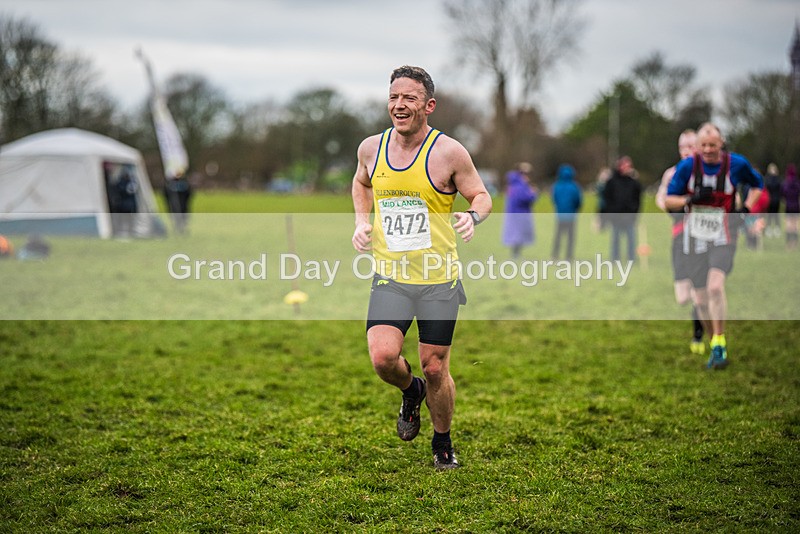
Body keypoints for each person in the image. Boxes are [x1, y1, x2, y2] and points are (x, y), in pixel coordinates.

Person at [351, 66, 492, 470]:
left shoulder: (449, 152)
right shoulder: (371, 148)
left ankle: (442, 441)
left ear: (428, 105)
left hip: (437, 279)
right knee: (382, 358)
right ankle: (410, 391)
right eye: (394, 96)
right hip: (391, 275)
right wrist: (363, 221)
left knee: (435, 366)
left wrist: (473, 217)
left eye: (409, 98)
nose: (399, 105)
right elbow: (361, 183)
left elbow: (481, 195)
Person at [666, 122, 763, 370]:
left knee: (715, 287)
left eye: (713, 144)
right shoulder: (688, 167)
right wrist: (689, 199)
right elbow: (668, 200)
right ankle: (714, 343)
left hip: (723, 237)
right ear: (697, 147)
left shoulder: (737, 164)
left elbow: (757, 184)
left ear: (721, 144)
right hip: (693, 239)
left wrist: (746, 209)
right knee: (700, 300)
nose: (708, 149)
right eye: (704, 145)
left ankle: (719, 341)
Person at [656, 129, 705, 355]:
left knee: (699, 293)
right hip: (679, 236)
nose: (686, 150)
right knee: (683, 298)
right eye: (682, 147)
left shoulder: (707, 172)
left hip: (702, 239)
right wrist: (676, 204)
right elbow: (661, 200)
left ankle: (699, 335)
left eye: (690, 146)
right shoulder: (672, 173)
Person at [603, 156, 642, 263]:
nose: (627, 168)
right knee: (615, 239)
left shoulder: (634, 183)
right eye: (625, 165)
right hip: (616, 216)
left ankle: (631, 259)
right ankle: (615, 259)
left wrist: (635, 211)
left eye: (629, 166)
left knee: (631, 239)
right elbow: (606, 198)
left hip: (629, 216)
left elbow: (638, 199)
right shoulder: (611, 182)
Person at [501, 162, 537, 259]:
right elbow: (525, 198)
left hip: (514, 213)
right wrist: (533, 193)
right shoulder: (520, 186)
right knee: (517, 236)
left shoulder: (513, 184)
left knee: (517, 235)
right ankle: (516, 255)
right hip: (519, 214)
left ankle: (516, 254)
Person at [551, 163, 583, 261]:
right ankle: (569, 256)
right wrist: (576, 209)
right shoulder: (575, 187)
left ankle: (555, 255)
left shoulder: (557, 186)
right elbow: (578, 201)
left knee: (558, 236)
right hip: (571, 216)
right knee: (570, 237)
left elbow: (554, 199)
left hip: (560, 215)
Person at [782, 163, 800, 250]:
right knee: (795, 225)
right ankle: (795, 243)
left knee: (789, 225)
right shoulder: (797, 183)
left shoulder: (786, 183)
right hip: (796, 206)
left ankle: (789, 244)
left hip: (789, 206)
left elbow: (783, 194)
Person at [764, 163, 782, 238]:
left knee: (775, 215)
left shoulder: (777, 179)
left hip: (776, 200)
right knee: (770, 215)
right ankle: (769, 229)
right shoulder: (768, 179)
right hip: (770, 200)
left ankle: (776, 229)